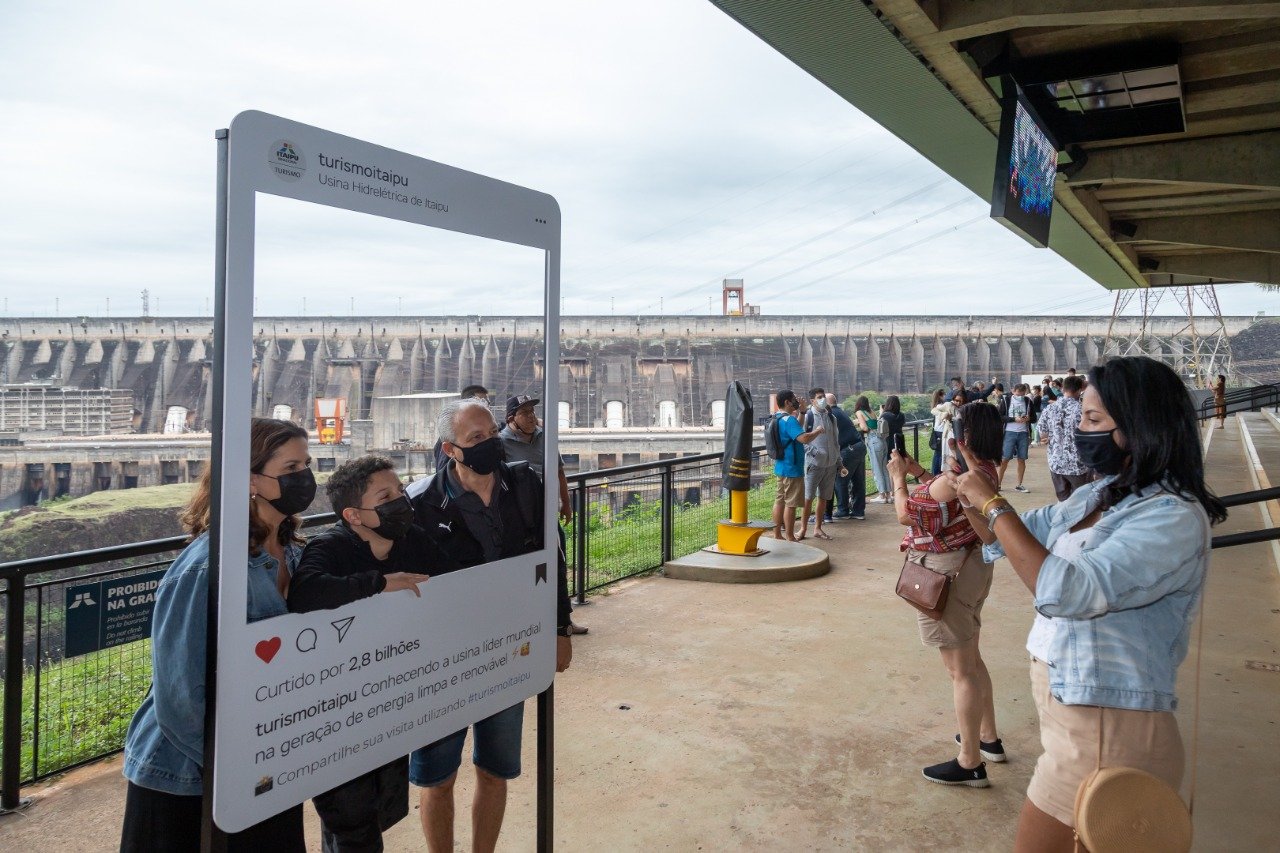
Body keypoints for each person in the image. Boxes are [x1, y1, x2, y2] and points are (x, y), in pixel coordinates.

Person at [948, 356, 1225, 851]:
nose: (1079, 429)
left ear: (1139, 427)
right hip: (1077, 715)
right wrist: (973, 497)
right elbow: (1008, 536)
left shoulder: (1171, 518)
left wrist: (991, 501)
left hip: (1108, 729)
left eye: (1093, 419)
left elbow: (1066, 590)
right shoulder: (1100, 494)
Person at [120, 418, 313, 852]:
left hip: (265, 765)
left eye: (307, 464)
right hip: (187, 777)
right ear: (248, 480)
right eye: (291, 468)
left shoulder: (299, 557)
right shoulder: (208, 568)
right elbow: (180, 699)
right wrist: (240, 768)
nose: (305, 477)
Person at [408, 399, 572, 853]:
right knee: (437, 776)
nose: (490, 443)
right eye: (475, 438)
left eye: (491, 432)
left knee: (495, 769)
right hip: (443, 662)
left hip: (507, 651)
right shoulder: (422, 503)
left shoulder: (525, 483)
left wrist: (560, 626)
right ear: (451, 450)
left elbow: (549, 557)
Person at [288, 456, 452, 853]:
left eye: (399, 491)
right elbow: (306, 593)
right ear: (353, 515)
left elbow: (450, 582)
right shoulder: (330, 546)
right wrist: (379, 584)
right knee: (350, 818)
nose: (401, 501)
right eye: (386, 496)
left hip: (387, 699)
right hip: (338, 708)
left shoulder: (413, 540)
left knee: (376, 809)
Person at [887, 402, 1005, 788]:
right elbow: (943, 491)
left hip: (946, 574)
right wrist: (918, 471)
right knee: (972, 657)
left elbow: (907, 513)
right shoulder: (984, 470)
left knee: (960, 672)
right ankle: (987, 739)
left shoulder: (956, 478)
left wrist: (897, 478)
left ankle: (970, 761)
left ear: (964, 438)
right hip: (972, 568)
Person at [500, 394, 586, 635]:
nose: (531, 417)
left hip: (545, 514)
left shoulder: (544, 438)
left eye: (532, 412)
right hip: (519, 518)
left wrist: (566, 504)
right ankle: (527, 622)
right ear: (511, 418)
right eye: (525, 413)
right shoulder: (501, 444)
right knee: (524, 568)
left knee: (557, 564)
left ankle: (563, 621)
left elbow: (558, 472)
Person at [770, 389, 825, 541]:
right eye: (793, 399)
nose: (796, 401)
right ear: (787, 402)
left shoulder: (778, 418)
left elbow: (795, 431)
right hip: (792, 467)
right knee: (791, 503)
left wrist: (801, 412)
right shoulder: (789, 420)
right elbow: (804, 438)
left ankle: (777, 534)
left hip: (781, 466)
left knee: (779, 500)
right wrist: (818, 431)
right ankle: (789, 536)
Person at [1039, 375, 1091, 501]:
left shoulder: (1049, 408)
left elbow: (1042, 433)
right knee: (1081, 502)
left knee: (1063, 502)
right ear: (1080, 390)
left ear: (1062, 389)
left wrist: (1053, 437)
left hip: (1056, 462)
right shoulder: (1082, 410)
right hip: (1077, 464)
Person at [800, 387, 841, 541]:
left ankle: (818, 528)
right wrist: (814, 452)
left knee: (823, 497)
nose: (822, 399)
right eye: (819, 397)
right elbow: (801, 440)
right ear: (812, 400)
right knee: (808, 497)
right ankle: (803, 529)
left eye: (823, 396)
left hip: (830, 464)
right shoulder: (808, 417)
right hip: (814, 464)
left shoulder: (831, 417)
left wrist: (839, 462)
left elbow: (836, 442)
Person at [433, 384, 489, 471]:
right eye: (481, 401)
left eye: (486, 402)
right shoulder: (451, 436)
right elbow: (443, 470)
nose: (485, 406)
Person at [828, 392, 865, 520]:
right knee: (858, 481)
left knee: (840, 479)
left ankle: (842, 510)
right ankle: (858, 511)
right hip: (858, 446)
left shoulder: (831, 414)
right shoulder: (840, 411)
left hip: (848, 449)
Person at [854, 395, 889, 504]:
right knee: (884, 468)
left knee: (876, 468)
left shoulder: (859, 412)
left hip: (872, 440)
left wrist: (859, 424)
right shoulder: (872, 411)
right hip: (882, 440)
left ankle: (881, 495)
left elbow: (864, 428)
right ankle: (888, 494)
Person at [999, 383, 1032, 493]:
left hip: (1023, 433)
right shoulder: (1006, 400)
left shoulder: (1028, 401)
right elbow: (1000, 416)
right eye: (1018, 394)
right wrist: (1014, 419)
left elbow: (1034, 418)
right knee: (1005, 459)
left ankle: (1019, 484)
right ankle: (998, 484)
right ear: (1013, 391)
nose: (1020, 396)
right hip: (1009, 432)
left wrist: (1028, 418)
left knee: (1022, 459)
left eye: (1023, 394)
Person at [878, 395, 906, 494]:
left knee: (890, 467)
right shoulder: (901, 415)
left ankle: (892, 491)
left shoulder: (885, 415)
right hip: (899, 441)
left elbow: (880, 426)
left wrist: (881, 413)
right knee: (898, 466)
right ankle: (898, 489)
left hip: (889, 442)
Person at [928, 388, 948, 476]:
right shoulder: (940, 406)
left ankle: (936, 472)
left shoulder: (937, 406)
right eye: (944, 395)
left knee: (938, 453)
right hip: (940, 431)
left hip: (938, 431)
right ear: (940, 396)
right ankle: (936, 473)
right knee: (939, 453)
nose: (945, 396)